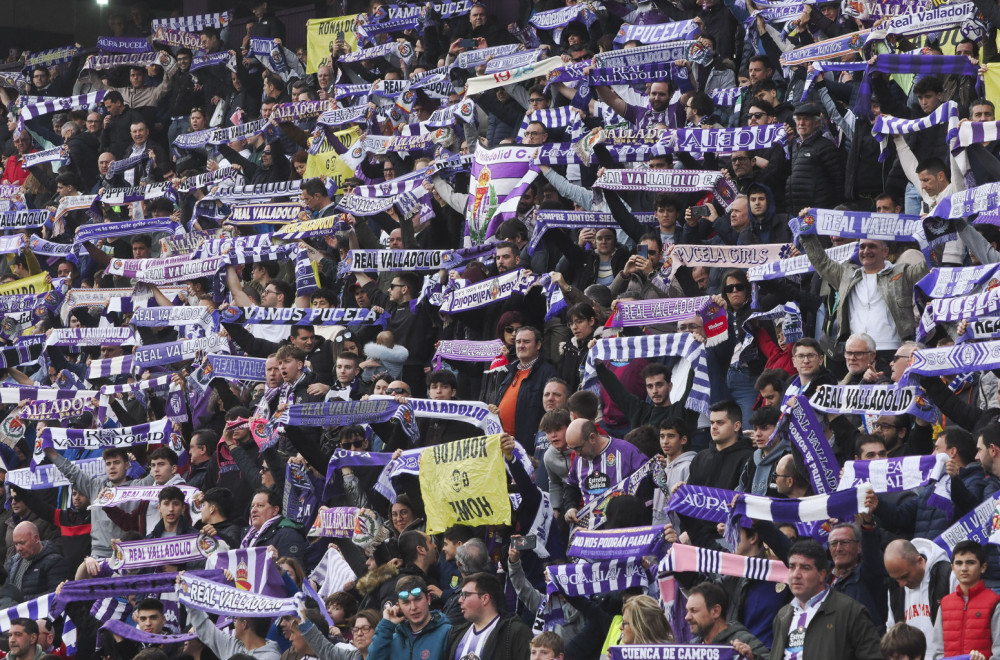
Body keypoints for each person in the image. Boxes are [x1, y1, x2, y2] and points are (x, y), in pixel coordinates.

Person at [770, 540, 883, 660]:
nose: (796, 575)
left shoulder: (851, 612)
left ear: (822, 575)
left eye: (805, 568)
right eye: (792, 567)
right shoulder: (782, 615)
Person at [883, 539, 953, 658]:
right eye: (896, 579)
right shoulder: (895, 586)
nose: (902, 584)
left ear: (920, 561)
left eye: (905, 576)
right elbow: (892, 629)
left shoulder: (947, 576)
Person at [933, 540, 1000, 660]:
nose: (964, 568)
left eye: (970, 562)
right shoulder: (945, 603)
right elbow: (937, 651)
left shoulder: (995, 602)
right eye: (959, 563)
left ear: (983, 567)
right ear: (952, 568)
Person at [444, 572, 533, 660]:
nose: (459, 600)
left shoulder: (515, 633)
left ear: (485, 599)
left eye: (465, 595)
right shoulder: (456, 634)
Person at [367, 575, 452, 660]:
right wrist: (386, 625)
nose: (413, 607)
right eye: (406, 602)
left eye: (418, 599)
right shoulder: (392, 639)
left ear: (428, 599)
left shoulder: (447, 633)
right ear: (398, 606)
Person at [685, 582, 769, 658]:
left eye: (694, 610)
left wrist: (751, 658)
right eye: (687, 611)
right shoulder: (692, 647)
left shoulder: (744, 641)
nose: (687, 617)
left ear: (716, 611)